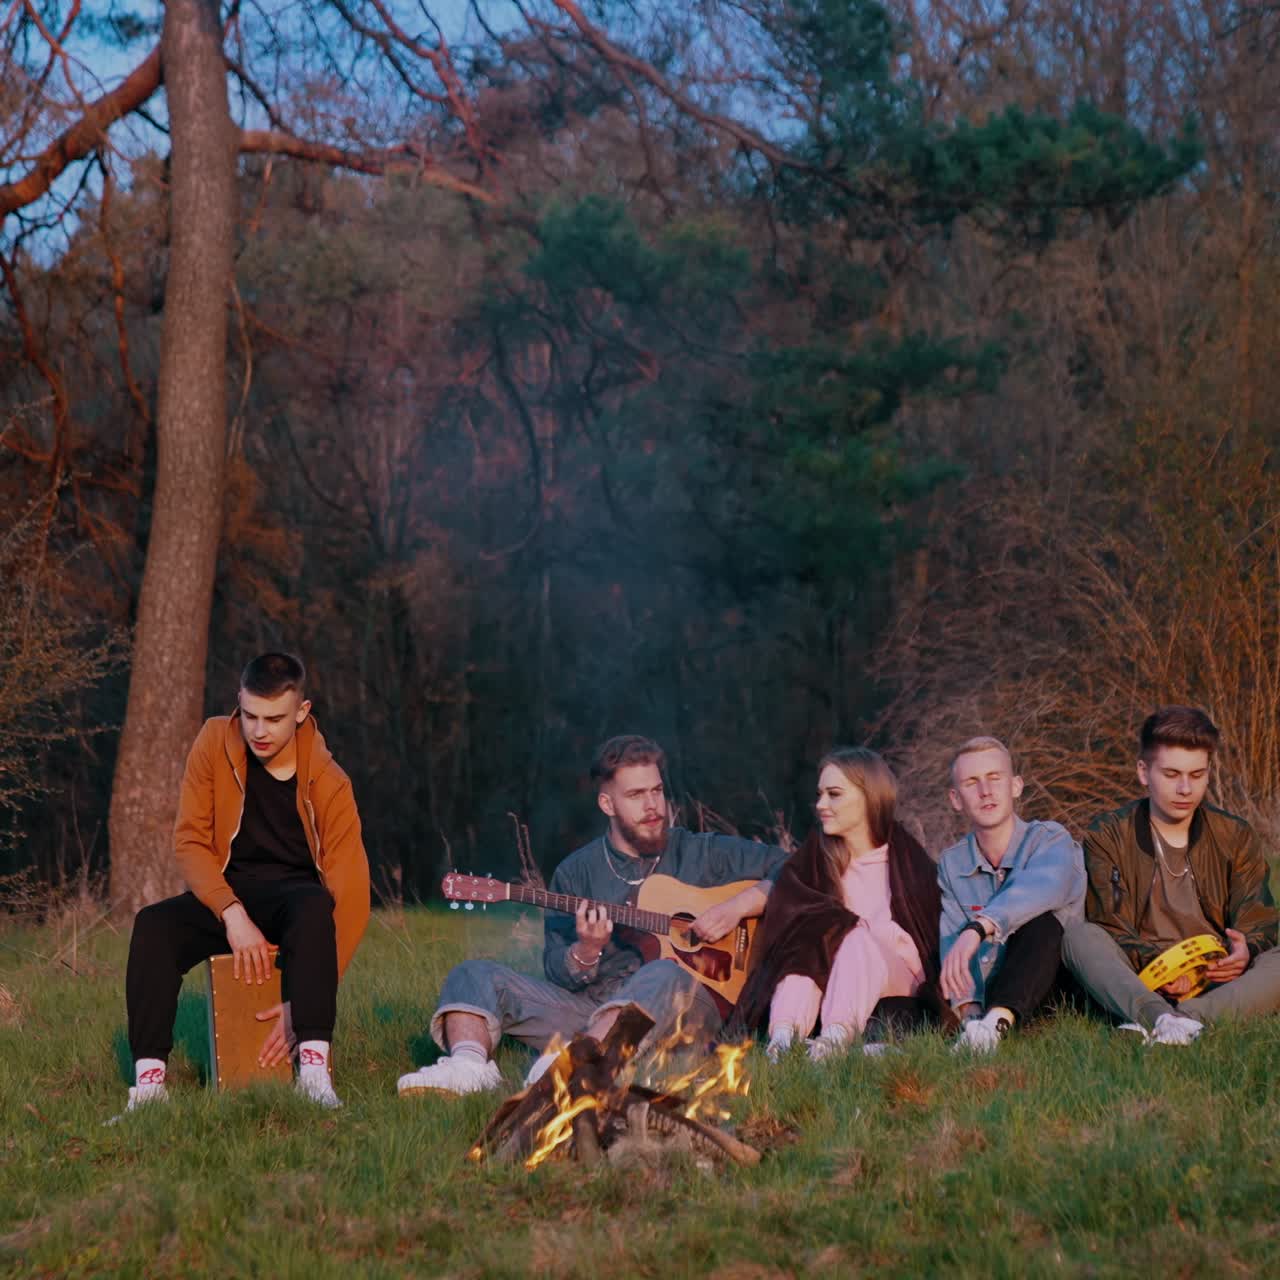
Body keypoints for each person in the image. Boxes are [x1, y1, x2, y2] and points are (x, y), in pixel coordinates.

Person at [397, 735, 788, 1096]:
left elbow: (796, 867)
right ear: (607, 804)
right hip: (591, 1008)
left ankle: (580, 1064)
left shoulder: (703, 852)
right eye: (636, 795)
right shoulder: (576, 872)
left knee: (664, 972)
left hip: (691, 1004)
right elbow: (557, 970)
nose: (653, 806)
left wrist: (738, 907)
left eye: (657, 791)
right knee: (473, 974)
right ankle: (469, 1067)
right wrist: (586, 951)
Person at [120, 653, 370, 1112]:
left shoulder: (331, 783)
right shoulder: (214, 741)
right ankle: (149, 1088)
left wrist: (301, 1005)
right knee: (153, 926)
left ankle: (315, 1078)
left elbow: (352, 897)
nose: (259, 731)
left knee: (317, 906)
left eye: (274, 719)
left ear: (302, 711)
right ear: (239, 701)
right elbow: (190, 841)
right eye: (251, 715)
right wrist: (231, 913)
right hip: (228, 893)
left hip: (296, 900)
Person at [1063, 706, 1280, 1045]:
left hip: (1215, 979)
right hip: (1141, 976)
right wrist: (1162, 966)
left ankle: (1186, 1020)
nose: (1184, 789)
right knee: (1079, 938)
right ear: (1143, 772)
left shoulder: (1235, 834)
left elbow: (1259, 919)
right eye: (1171, 774)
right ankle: (1157, 1015)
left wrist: (1245, 950)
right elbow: (1110, 924)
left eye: (1197, 775)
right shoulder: (1107, 833)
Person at [731, 748, 947, 1062]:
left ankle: (834, 1041)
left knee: (852, 934)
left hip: (897, 981)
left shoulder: (908, 861)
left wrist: (848, 929)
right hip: (830, 979)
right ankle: (782, 1043)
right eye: (819, 794)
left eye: (834, 795)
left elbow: (929, 937)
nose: (821, 805)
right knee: (808, 938)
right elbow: (789, 926)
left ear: (868, 796)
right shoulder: (814, 861)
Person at [938, 737, 1085, 1052]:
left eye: (995, 778)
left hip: (1060, 986)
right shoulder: (952, 863)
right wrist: (969, 1013)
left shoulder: (1051, 838)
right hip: (997, 989)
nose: (985, 791)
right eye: (971, 783)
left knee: (1042, 922)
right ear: (955, 799)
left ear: (1016, 786)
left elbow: (1045, 887)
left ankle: (996, 1025)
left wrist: (977, 928)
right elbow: (953, 943)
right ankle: (982, 1032)